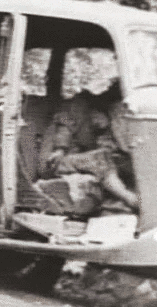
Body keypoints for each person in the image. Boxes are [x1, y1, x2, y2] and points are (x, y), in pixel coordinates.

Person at [38, 80, 139, 216]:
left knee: (116, 159)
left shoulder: (95, 116)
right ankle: (129, 198)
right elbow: (64, 127)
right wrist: (59, 149)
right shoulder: (78, 106)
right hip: (54, 161)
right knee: (101, 158)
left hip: (74, 160)